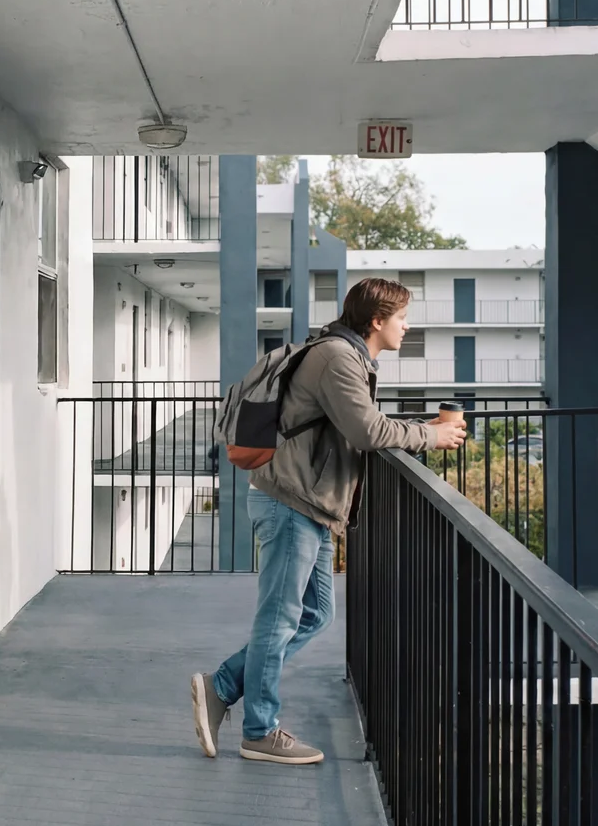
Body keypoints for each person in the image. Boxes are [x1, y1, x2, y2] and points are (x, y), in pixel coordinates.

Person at [190, 278, 468, 764]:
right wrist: (429, 434)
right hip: (290, 502)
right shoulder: (338, 357)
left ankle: (223, 686)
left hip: (306, 504)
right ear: (377, 321)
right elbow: (366, 429)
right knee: (278, 619)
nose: (408, 326)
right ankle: (259, 730)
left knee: (316, 613)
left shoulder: (348, 355)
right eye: (402, 318)